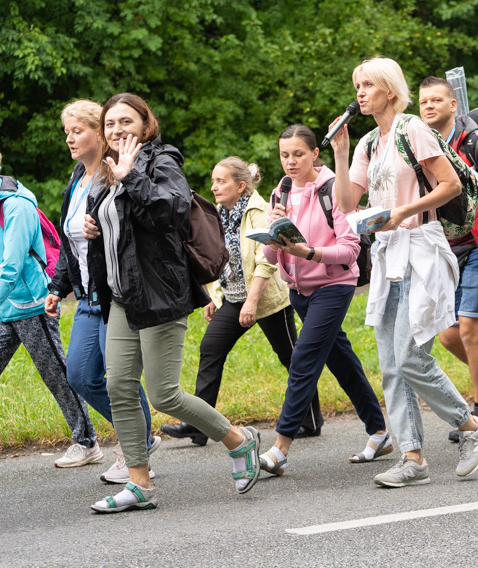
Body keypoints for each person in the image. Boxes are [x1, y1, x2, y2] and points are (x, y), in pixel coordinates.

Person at [84, 93, 261, 513]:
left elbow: (173, 211)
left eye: (126, 121)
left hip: (160, 293)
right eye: (110, 124)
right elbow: (120, 232)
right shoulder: (104, 173)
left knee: (163, 394)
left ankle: (238, 440)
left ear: (146, 125)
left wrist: (131, 177)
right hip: (123, 296)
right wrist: (94, 227)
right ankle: (140, 485)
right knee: (119, 387)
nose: (117, 130)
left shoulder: (160, 161)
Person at [330, 56, 478, 487]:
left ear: (388, 89)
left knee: (410, 357)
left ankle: (471, 427)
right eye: (357, 84)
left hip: (421, 249)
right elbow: (348, 204)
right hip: (388, 255)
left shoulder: (412, 129)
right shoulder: (368, 142)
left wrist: (403, 210)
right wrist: (342, 152)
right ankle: (413, 457)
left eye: (367, 84)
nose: (360, 91)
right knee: (390, 363)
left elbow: (451, 186)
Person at [257, 124, 391, 475]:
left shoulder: (333, 189)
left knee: (303, 359)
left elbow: (349, 251)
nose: (290, 162)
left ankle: (280, 447)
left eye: (298, 154)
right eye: (284, 155)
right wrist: (274, 239)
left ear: (315, 154)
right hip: (299, 291)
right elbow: (273, 260)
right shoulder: (280, 192)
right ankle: (379, 431)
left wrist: (308, 252)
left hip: (334, 286)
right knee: (341, 360)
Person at [45, 100, 159, 483]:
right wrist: (58, 287)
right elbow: (68, 241)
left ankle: (135, 448)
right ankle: (141, 437)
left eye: (77, 130)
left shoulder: (114, 176)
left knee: (117, 380)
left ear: (98, 133)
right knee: (79, 375)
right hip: (87, 296)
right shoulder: (77, 179)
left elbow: (136, 228)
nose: (70, 139)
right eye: (67, 132)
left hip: (114, 296)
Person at [159, 157, 303, 446]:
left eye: (221, 181)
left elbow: (266, 259)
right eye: (213, 181)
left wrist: (252, 302)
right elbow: (217, 258)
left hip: (266, 299)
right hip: (234, 298)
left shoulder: (259, 211)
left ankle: (309, 420)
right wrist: (214, 295)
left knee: (293, 360)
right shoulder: (218, 214)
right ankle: (200, 427)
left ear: (240, 186)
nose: (214, 187)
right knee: (210, 348)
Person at [418, 76, 478, 440]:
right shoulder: (419, 145)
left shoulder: (477, 143)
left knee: (471, 331)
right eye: (424, 101)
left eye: (437, 100)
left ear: (453, 104)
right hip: (444, 250)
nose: (429, 106)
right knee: (448, 337)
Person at [0, 152, 100, 468]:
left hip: (33, 303)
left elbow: (12, 266)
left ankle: (87, 442)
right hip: (6, 304)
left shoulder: (16, 206)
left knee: (57, 374)